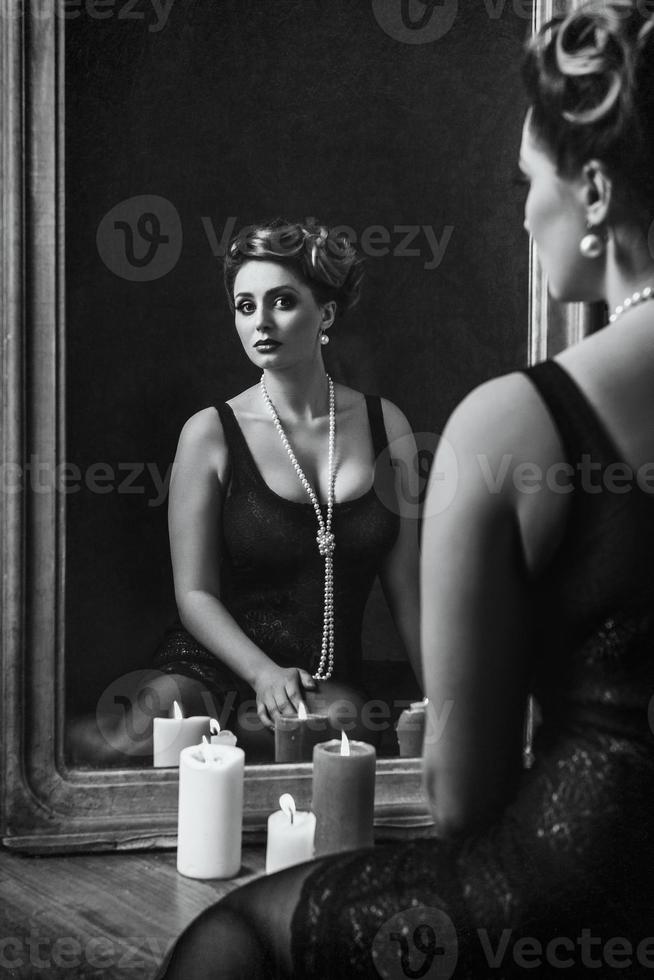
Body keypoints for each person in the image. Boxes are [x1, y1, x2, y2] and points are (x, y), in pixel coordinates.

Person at [155, 2, 654, 977]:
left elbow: (464, 802)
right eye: (243, 303)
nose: (522, 210)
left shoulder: (510, 423)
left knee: (230, 940)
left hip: (595, 877)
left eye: (529, 181)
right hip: (233, 684)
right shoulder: (213, 434)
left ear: (593, 191)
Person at [148, 217, 422, 760]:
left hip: (318, 681)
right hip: (217, 670)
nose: (261, 322)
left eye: (281, 301)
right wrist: (262, 673)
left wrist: (448, 694)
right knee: (144, 722)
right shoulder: (210, 432)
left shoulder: (386, 425)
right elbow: (194, 595)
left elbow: (409, 588)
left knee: (341, 725)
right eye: (245, 306)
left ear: (325, 314)